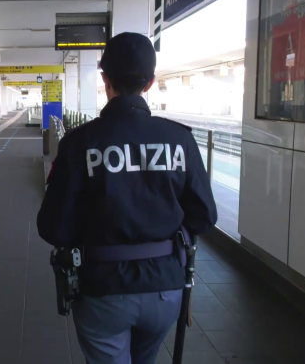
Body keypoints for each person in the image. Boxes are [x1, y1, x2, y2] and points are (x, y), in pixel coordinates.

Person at [37, 32, 217, 364]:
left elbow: (52, 227)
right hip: (165, 288)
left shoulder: (80, 143)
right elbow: (204, 215)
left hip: (103, 289)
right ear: (149, 83)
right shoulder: (180, 139)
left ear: (105, 80)